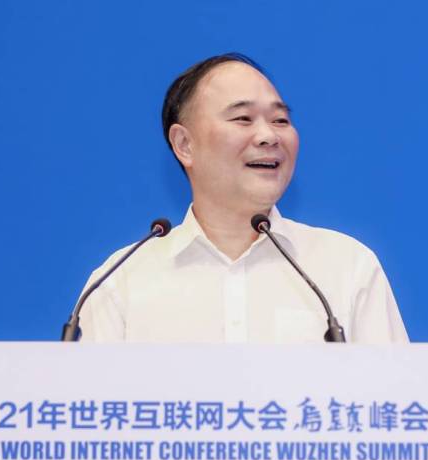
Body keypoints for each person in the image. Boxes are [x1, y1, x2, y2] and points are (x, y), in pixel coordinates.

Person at [78, 53, 408, 344]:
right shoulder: (121, 282)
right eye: (243, 119)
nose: (269, 136)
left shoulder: (347, 267)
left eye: (280, 120)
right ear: (184, 145)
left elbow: (392, 391)